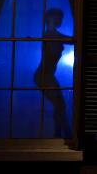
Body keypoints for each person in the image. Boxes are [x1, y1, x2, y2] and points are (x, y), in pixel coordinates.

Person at [34, 8, 71, 138]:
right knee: (60, 105)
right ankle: (61, 135)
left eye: (61, 17)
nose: (61, 19)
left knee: (60, 105)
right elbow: (68, 40)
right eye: (58, 16)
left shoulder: (52, 34)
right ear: (51, 18)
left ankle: (63, 134)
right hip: (43, 75)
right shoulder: (50, 34)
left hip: (47, 75)